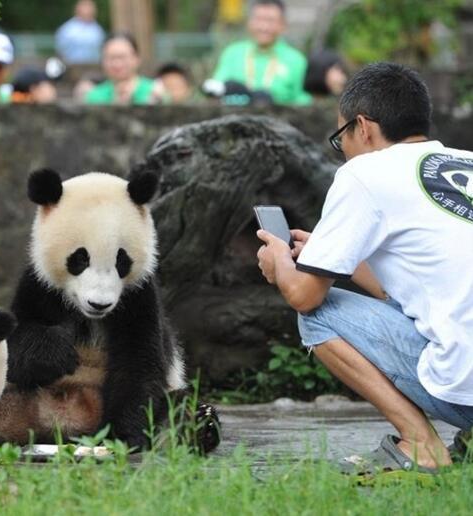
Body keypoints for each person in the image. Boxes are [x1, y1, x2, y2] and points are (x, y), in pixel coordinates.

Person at [256, 62, 473, 474]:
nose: (344, 150)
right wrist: (336, 257)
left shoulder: (364, 172)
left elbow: (305, 295)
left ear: (363, 127)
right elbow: (417, 290)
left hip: (465, 392)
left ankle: (421, 445)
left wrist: (281, 262)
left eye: (341, 138)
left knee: (318, 315)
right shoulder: (465, 162)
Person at [210, 0, 311, 106]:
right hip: (233, 119)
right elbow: (215, 92)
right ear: (249, 22)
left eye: (270, 21)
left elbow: (304, 102)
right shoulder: (232, 53)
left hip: (278, 120)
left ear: (283, 25)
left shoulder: (296, 60)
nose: (264, 27)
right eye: (259, 19)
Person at [85, 33, 156, 105]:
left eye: (122, 57)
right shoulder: (94, 97)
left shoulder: (154, 91)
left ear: (136, 58)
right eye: (111, 58)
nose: (117, 64)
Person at [55, 0, 106, 65]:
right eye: (85, 6)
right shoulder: (67, 30)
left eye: (90, 7)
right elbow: (60, 51)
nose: (88, 10)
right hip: (71, 67)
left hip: (93, 67)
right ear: (77, 9)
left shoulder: (98, 30)